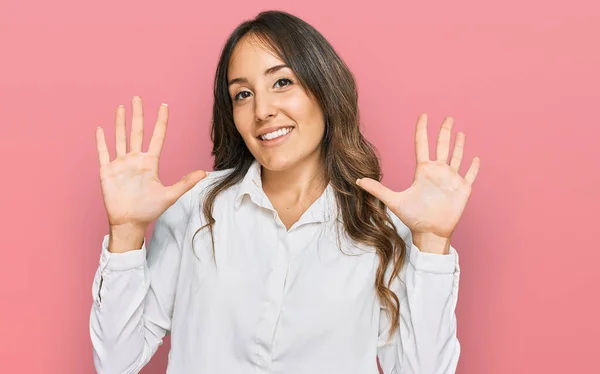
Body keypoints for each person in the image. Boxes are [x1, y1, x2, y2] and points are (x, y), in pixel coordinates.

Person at [90, 10, 480, 374]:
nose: (262, 111)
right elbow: (116, 362)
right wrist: (126, 232)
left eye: (282, 82)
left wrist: (431, 243)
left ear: (324, 90)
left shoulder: (378, 225)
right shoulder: (196, 207)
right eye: (242, 94)